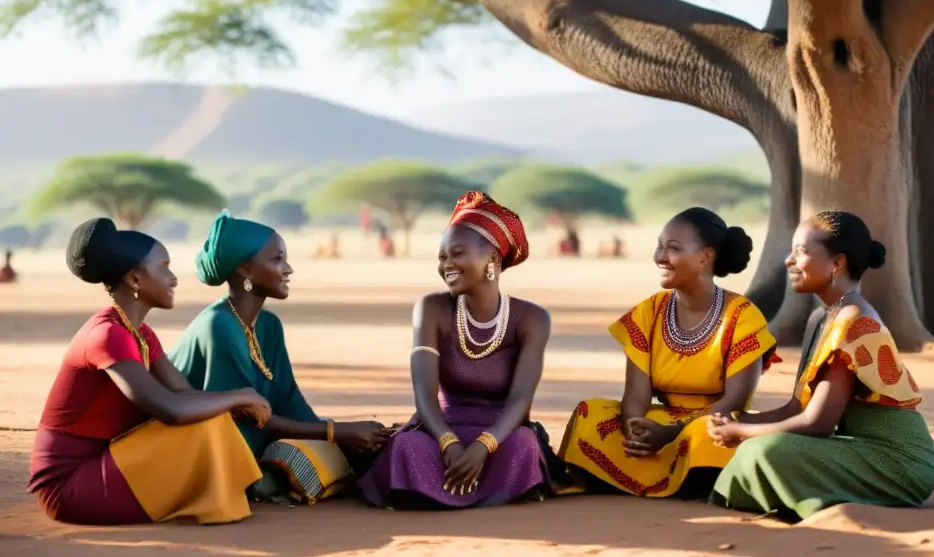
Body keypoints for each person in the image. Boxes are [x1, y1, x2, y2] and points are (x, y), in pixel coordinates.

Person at [28, 218, 268, 525]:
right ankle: (231, 489)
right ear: (135, 279)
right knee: (203, 422)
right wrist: (240, 396)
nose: (173, 278)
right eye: (164, 267)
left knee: (211, 417)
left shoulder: (140, 333)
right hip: (70, 485)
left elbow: (183, 393)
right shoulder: (107, 334)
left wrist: (236, 404)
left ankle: (240, 484)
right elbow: (171, 409)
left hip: (110, 459)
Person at [709, 211, 934, 521]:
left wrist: (744, 431)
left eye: (801, 251)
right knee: (754, 446)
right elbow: (796, 408)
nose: (789, 261)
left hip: (897, 462)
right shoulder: (821, 318)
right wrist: (742, 420)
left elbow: (818, 424)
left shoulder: (853, 321)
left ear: (837, 264)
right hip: (857, 447)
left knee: (765, 449)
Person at [170, 212, 389, 504]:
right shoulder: (218, 326)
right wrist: (338, 432)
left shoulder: (268, 325)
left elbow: (288, 400)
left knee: (367, 452)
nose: (288, 269)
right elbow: (248, 419)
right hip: (204, 445)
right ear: (246, 270)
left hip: (255, 435)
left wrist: (340, 437)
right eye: (277, 260)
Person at [558, 208, 778, 498]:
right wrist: (636, 429)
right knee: (591, 414)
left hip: (713, 423)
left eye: (673, 248)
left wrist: (671, 435)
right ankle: (662, 476)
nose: (661, 257)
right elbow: (635, 395)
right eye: (660, 246)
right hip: (660, 422)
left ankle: (641, 479)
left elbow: (734, 401)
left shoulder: (743, 316)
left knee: (706, 434)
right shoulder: (649, 311)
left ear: (705, 257)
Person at [359, 191, 552, 509]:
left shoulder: (531, 319)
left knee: (524, 446)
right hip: (440, 431)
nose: (446, 265)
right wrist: (448, 443)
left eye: (457, 254)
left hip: (500, 435)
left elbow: (521, 401)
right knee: (407, 447)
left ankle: (472, 486)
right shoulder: (431, 308)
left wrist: (483, 446)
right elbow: (424, 396)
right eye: (441, 257)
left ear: (492, 258)